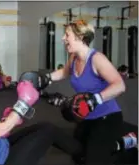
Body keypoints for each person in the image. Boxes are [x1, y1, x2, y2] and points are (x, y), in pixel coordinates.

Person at [18, 20, 137, 165]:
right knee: (78, 155)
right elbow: (65, 72)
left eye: (67, 35)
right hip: (86, 117)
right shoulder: (74, 57)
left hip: (108, 117)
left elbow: (120, 85)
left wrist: (95, 99)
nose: (63, 38)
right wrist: (46, 77)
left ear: (79, 37)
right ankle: (120, 144)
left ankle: (126, 142)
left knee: (93, 160)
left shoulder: (97, 59)